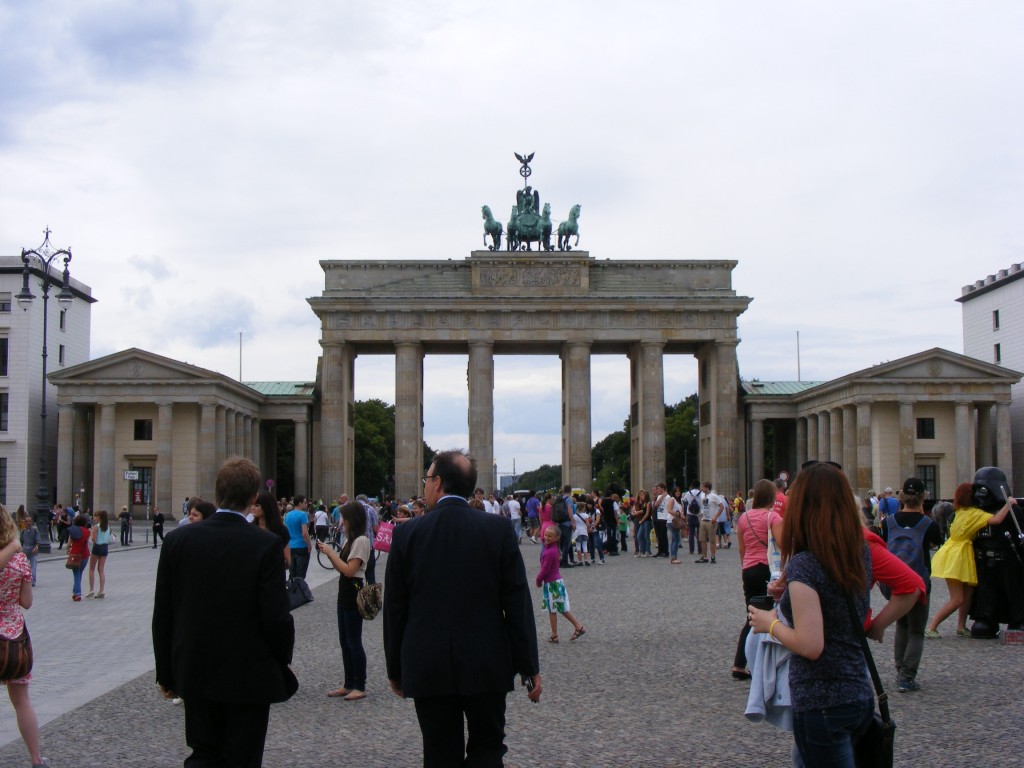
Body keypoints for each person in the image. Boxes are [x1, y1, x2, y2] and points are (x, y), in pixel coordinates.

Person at [383, 450, 541, 767]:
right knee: (488, 749)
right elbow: (517, 604)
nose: (425, 486)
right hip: (487, 662)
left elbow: (395, 610)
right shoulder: (498, 531)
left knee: (439, 753)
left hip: (428, 664)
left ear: (438, 483)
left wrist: (396, 670)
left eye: (427, 479)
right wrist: (529, 666)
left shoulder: (407, 535)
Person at [153, 457, 297, 768]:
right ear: (252, 498)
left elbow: (163, 613)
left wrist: (166, 672)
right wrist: (281, 660)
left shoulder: (177, 541)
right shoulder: (266, 544)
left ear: (217, 495)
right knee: (243, 757)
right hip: (249, 673)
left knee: (203, 753)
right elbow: (276, 617)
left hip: (195, 667)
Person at [747, 463, 880, 766]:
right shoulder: (859, 551)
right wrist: (793, 594)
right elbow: (836, 604)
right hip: (858, 692)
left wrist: (771, 624)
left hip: (822, 702)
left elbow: (810, 644)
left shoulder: (805, 564)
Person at [926, 481, 1014, 638]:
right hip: (958, 555)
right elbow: (997, 520)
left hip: (956, 552)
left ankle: (961, 626)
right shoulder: (975, 513)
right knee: (958, 598)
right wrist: (1009, 504)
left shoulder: (960, 510)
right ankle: (932, 626)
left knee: (968, 592)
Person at [880, 477, 943, 692]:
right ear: (923, 496)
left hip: (895, 582)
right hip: (918, 582)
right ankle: (907, 677)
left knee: (902, 625)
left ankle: (900, 669)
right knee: (916, 630)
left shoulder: (888, 522)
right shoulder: (928, 523)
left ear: (901, 496)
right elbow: (936, 543)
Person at [0, 505, 49, 768]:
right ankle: (35, 758)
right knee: (21, 701)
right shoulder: (19, 561)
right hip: (13, 637)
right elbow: (26, 602)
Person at [318, 501, 370, 701]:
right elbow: (343, 568)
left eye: (343, 518)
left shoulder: (361, 541)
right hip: (344, 593)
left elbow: (350, 571)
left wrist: (331, 552)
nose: (341, 522)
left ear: (351, 520)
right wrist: (329, 554)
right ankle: (349, 683)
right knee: (345, 641)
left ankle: (359, 684)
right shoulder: (351, 540)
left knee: (354, 641)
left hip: (354, 591)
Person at [731, 479, 783, 679]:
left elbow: (742, 549)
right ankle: (766, 663)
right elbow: (782, 545)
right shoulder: (773, 517)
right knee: (771, 616)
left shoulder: (744, 518)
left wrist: (746, 566)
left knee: (751, 616)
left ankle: (739, 663)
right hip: (767, 569)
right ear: (772, 497)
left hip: (749, 569)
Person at [536, 525, 586, 643]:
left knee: (556, 609)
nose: (546, 537)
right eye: (546, 535)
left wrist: (538, 580)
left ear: (556, 538)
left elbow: (545, 569)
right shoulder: (553, 549)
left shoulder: (550, 552)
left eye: (550, 536)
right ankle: (557, 633)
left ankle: (574, 628)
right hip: (555, 582)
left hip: (552, 583)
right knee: (557, 608)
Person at [251, 490, 290, 573]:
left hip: (273, 575)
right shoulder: (250, 527)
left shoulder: (281, 529)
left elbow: (287, 558)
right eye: (252, 504)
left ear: (266, 506)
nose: (253, 508)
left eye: (257, 505)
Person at [283, 495, 312, 580]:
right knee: (300, 574)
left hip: (290, 546)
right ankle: (299, 591)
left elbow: (285, 530)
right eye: (305, 502)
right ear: (300, 503)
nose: (306, 504)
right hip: (301, 546)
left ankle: (292, 591)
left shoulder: (287, 515)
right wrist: (309, 545)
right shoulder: (303, 515)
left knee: (292, 573)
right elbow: (304, 533)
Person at [86, 511, 112, 599]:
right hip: (105, 548)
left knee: (91, 569)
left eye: (95, 517)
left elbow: (94, 539)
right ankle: (101, 590)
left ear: (99, 517)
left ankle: (91, 590)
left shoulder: (96, 527)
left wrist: (90, 533)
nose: (94, 518)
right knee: (101, 569)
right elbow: (108, 539)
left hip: (97, 547)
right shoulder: (107, 527)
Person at [67, 514, 91, 601]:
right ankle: (75, 590)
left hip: (75, 554)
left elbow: (69, 543)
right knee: (79, 572)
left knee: (76, 573)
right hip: (85, 554)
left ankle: (77, 593)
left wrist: (68, 549)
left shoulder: (73, 530)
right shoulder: (87, 531)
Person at [18, 515, 39, 587]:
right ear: (25, 522)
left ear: (32, 522)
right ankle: (25, 580)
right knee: (24, 566)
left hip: (33, 551)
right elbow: (21, 541)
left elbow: (38, 541)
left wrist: (36, 547)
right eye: (27, 521)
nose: (28, 523)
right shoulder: (23, 531)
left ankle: (33, 581)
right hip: (25, 551)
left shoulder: (35, 530)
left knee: (33, 567)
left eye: (30, 521)